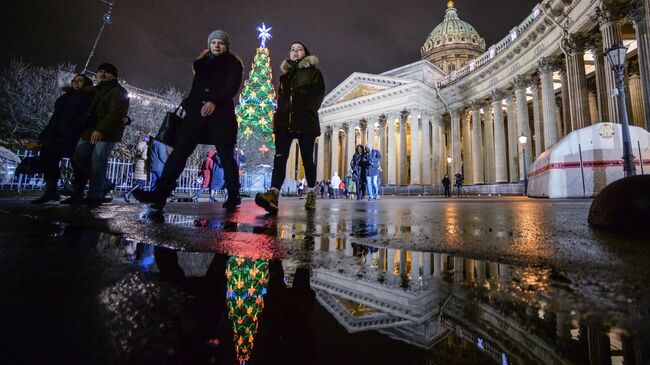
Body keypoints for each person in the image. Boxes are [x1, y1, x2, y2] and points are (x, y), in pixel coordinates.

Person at [133, 30, 244, 211]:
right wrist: (189, 105)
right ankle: (159, 193)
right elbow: (196, 89)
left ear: (226, 46)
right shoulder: (201, 65)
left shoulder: (233, 64)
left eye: (221, 43)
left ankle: (233, 194)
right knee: (179, 153)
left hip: (221, 117)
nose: (217, 45)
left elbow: (231, 87)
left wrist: (214, 101)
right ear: (209, 45)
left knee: (226, 156)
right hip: (195, 116)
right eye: (213, 42)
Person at [255, 41, 325, 214]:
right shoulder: (285, 76)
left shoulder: (314, 73)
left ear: (305, 53)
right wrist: (278, 116)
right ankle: (273, 194)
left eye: (299, 49)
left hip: (304, 120)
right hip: (285, 121)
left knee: (307, 158)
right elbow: (282, 100)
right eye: (292, 49)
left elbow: (317, 95)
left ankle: (311, 192)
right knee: (280, 158)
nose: (295, 52)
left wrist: (309, 111)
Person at [62, 63, 130, 205]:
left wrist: (101, 129)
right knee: (79, 156)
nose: (102, 74)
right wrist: (70, 89)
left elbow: (116, 113)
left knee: (98, 160)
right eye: (100, 71)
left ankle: (95, 195)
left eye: (106, 72)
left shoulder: (118, 91)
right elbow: (81, 90)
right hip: (91, 130)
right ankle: (103, 183)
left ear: (113, 75)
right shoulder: (96, 89)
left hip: (109, 131)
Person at [31, 74, 94, 204]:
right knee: (48, 158)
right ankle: (50, 191)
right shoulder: (64, 98)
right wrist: (42, 136)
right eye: (74, 80)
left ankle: (78, 193)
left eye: (80, 80)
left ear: (86, 83)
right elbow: (54, 119)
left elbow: (88, 118)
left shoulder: (88, 98)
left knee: (77, 164)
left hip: (75, 136)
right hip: (56, 136)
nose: (76, 82)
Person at [123, 135, 149, 202]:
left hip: (138, 164)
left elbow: (137, 155)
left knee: (139, 183)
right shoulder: (146, 146)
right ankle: (127, 193)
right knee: (141, 182)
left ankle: (139, 197)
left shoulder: (139, 145)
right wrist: (149, 159)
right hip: (143, 165)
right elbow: (144, 156)